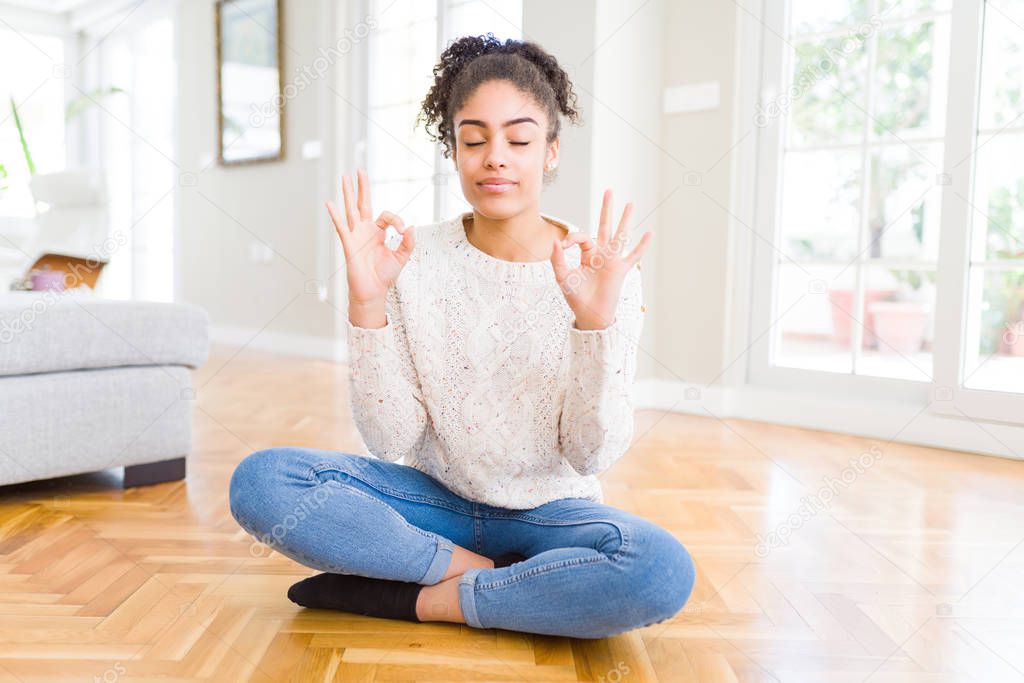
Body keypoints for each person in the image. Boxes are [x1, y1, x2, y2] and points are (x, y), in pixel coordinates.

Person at [228, 33, 695, 640]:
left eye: (520, 139)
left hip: (552, 516)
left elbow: (590, 454)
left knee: (658, 572)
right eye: (474, 140)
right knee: (262, 481)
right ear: (453, 150)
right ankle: (498, 581)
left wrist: (593, 324)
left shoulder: (602, 270)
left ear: (550, 151)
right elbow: (390, 440)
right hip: (433, 505)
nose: (495, 157)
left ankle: (417, 600)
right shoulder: (411, 257)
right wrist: (368, 303)